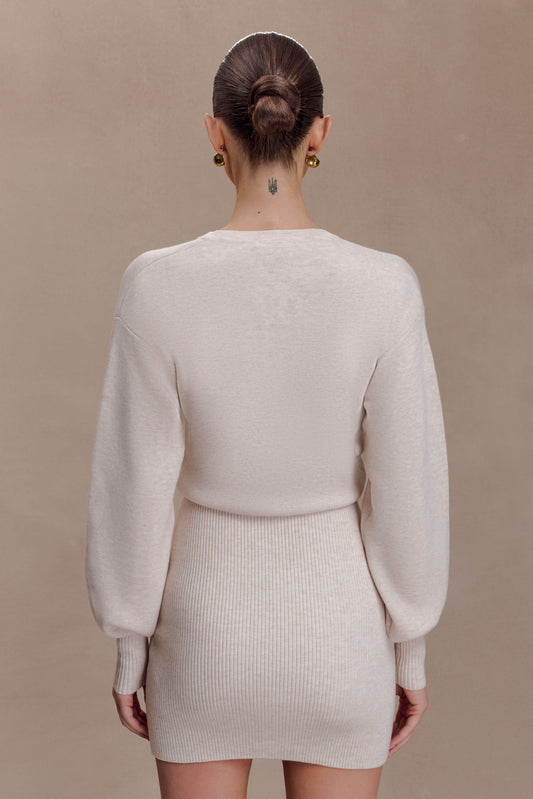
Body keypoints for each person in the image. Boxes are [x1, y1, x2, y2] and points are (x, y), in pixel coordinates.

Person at [85, 31, 449, 799]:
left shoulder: (156, 284)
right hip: (338, 641)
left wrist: (129, 646)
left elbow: (134, 484)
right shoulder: (384, 286)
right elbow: (406, 487)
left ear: (216, 131)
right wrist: (409, 648)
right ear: (319, 133)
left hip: (202, 637)